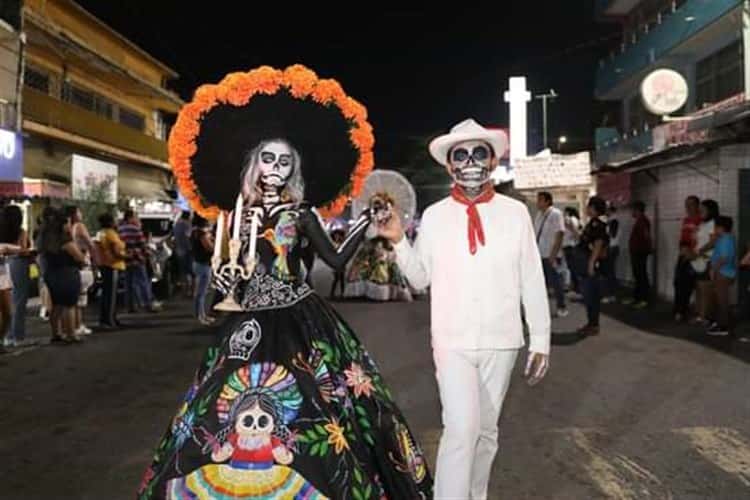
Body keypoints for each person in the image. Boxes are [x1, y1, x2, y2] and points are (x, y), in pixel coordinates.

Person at [139, 65, 431, 499]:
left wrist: (363, 225)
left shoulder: (303, 213)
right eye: (268, 159)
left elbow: (333, 260)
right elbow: (233, 270)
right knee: (221, 408)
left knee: (324, 409)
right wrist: (226, 278)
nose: (275, 168)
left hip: (301, 318)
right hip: (247, 322)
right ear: (254, 163)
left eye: (284, 162)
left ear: (293, 170)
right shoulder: (235, 215)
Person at [379, 118, 550, 499]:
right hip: (452, 340)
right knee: (461, 428)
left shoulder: (515, 213)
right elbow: (420, 279)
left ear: (491, 162)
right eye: (461, 155)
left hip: (502, 339)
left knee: (487, 433)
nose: (470, 162)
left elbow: (531, 278)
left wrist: (540, 338)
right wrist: (398, 243)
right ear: (449, 165)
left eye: (479, 154)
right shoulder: (436, 216)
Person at [38, 208, 87, 343]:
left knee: (57, 305)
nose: (70, 226)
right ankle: (71, 334)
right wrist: (83, 256)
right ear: (62, 224)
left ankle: (56, 334)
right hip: (67, 273)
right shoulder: (64, 239)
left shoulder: (44, 238)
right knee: (69, 305)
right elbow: (79, 258)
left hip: (51, 273)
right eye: (68, 223)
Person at [575, 196, 610, 336]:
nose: (587, 208)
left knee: (591, 296)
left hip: (591, 263)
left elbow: (598, 244)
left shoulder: (598, 223)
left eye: (589, 206)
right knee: (589, 296)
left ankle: (593, 325)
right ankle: (591, 324)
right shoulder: (593, 222)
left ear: (594, 208)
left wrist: (591, 263)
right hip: (586, 261)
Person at [2, 205, 36, 348]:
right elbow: (23, 250)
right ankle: (18, 337)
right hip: (18, 264)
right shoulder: (21, 232)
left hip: (4, 265)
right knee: (19, 301)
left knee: (6, 305)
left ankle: (7, 336)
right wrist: (32, 251)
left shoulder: (2, 230)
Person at [119, 209, 162, 313]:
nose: (136, 219)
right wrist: (147, 254)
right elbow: (142, 244)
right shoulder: (135, 229)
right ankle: (148, 304)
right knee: (143, 281)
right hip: (137, 258)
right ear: (130, 217)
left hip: (125, 258)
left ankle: (130, 306)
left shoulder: (120, 228)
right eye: (135, 217)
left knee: (129, 283)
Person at [534, 191, 568, 317]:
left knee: (556, 282)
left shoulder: (556, 214)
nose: (538, 202)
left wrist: (553, 254)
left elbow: (560, 234)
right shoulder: (538, 215)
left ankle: (562, 306)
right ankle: (542, 308)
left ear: (548, 201)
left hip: (551, 254)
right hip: (540, 253)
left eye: (540, 200)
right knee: (542, 283)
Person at [65, 206, 95, 337]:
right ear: (74, 214)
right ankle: (79, 325)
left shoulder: (67, 228)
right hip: (82, 263)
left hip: (73, 264)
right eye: (79, 211)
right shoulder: (79, 226)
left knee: (76, 298)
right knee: (80, 299)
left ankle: (76, 326)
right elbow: (89, 243)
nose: (81, 214)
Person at [673, 196, 702, 321]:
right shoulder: (686, 220)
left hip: (695, 256)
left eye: (690, 205)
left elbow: (702, 240)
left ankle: (683, 311)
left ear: (697, 206)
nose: (688, 208)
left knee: (688, 285)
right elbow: (683, 238)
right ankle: (679, 309)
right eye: (686, 205)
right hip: (683, 255)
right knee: (678, 282)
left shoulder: (701, 220)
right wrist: (682, 250)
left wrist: (691, 252)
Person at [706, 216, 736, 336]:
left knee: (722, 301)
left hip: (723, 273)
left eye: (715, 227)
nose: (714, 229)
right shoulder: (724, 238)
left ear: (721, 228)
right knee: (718, 299)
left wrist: (713, 269)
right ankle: (717, 322)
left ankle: (723, 327)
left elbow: (724, 258)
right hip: (722, 273)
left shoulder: (725, 240)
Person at [96, 213, 127, 328]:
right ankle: (109, 320)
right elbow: (116, 251)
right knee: (111, 295)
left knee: (106, 294)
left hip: (104, 264)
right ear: (110, 222)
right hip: (113, 265)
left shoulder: (100, 233)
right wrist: (127, 256)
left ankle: (107, 319)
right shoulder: (111, 234)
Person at [691, 199, 719, 324]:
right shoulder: (703, 224)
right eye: (700, 209)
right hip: (698, 260)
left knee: (705, 289)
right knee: (699, 288)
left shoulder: (713, 223)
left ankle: (705, 317)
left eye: (703, 209)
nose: (700, 210)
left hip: (707, 260)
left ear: (710, 210)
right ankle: (700, 314)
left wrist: (701, 250)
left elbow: (714, 242)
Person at [624, 201, 652, 309]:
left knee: (641, 276)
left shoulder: (643, 221)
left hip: (640, 252)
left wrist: (648, 248)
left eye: (633, 210)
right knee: (637, 275)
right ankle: (636, 297)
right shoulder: (639, 221)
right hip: (637, 252)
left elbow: (646, 235)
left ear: (638, 210)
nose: (632, 212)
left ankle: (643, 299)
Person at [190, 214, 214, 325]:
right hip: (203, 264)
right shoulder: (201, 234)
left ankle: (200, 314)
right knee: (201, 292)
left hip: (197, 263)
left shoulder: (194, 232)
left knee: (199, 291)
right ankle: (201, 316)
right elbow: (209, 248)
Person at [602, 203, 620, 303]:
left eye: (607, 210)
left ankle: (611, 294)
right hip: (610, 248)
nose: (605, 212)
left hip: (612, 248)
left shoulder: (613, 221)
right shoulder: (610, 221)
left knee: (610, 272)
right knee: (608, 272)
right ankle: (610, 293)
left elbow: (612, 235)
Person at [172, 210, 193, 297]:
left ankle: (184, 291)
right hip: (187, 250)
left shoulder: (176, 225)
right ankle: (190, 291)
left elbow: (173, 237)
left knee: (182, 272)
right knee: (190, 272)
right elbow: (188, 236)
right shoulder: (187, 225)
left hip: (178, 250)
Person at [563, 206, 582, 293]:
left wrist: (576, 238)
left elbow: (574, 231)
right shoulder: (576, 219)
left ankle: (575, 288)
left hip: (569, 245)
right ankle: (575, 287)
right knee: (572, 268)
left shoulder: (570, 219)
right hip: (571, 245)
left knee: (572, 268)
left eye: (565, 212)